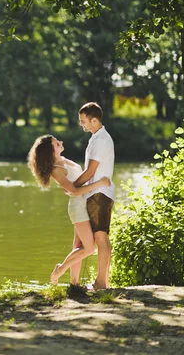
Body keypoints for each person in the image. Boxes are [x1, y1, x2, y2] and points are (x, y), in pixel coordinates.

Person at [27, 134, 111, 286]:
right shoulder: (56, 170)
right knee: (89, 248)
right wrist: (99, 183)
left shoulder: (64, 160)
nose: (61, 142)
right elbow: (74, 191)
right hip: (78, 207)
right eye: (57, 143)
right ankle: (59, 270)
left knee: (78, 247)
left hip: (85, 203)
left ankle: (74, 284)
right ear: (50, 151)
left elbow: (81, 178)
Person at [73, 102, 115, 290]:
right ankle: (100, 282)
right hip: (96, 194)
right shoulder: (96, 138)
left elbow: (90, 172)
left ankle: (101, 282)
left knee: (100, 237)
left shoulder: (101, 140)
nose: (81, 124)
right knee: (99, 237)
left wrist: (74, 187)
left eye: (84, 121)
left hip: (99, 195)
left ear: (94, 120)